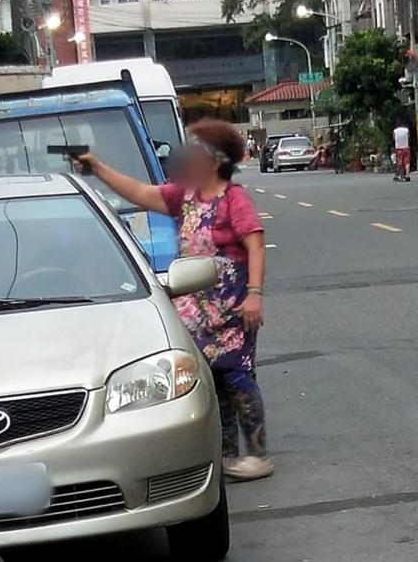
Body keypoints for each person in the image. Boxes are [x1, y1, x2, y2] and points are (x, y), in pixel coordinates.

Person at [75, 119, 273, 481]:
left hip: (232, 309)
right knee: (210, 381)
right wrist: (97, 167)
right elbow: (137, 192)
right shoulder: (183, 197)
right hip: (192, 309)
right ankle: (226, 455)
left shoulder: (234, 199)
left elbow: (255, 245)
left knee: (238, 377)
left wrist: (255, 296)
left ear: (214, 160)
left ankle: (257, 454)